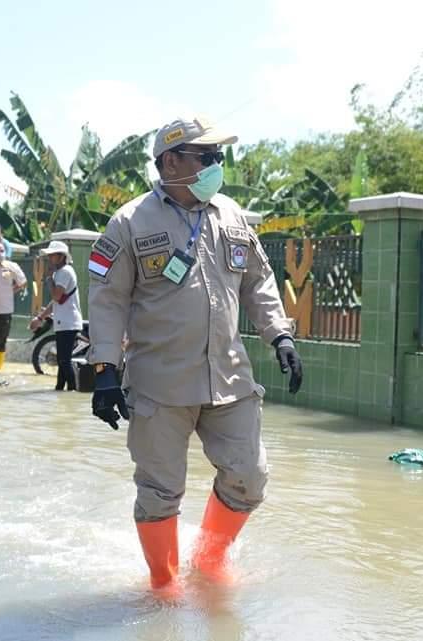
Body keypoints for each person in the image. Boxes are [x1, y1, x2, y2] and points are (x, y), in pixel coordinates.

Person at [87, 116, 303, 594]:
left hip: (228, 378)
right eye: (205, 157)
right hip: (159, 386)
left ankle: (208, 562)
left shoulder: (231, 215)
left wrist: (279, 335)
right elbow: (107, 299)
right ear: (170, 161)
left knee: (249, 476)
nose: (216, 166)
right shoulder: (130, 222)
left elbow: (258, 282)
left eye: (217, 158)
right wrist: (104, 371)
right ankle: (164, 584)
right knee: (160, 492)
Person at [28, 240, 82, 391]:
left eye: (52, 255)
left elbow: (57, 297)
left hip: (68, 323)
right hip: (64, 322)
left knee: (64, 361)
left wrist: (49, 280)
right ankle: (60, 390)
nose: (49, 258)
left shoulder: (64, 272)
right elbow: (56, 302)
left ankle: (72, 391)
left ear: (61, 257)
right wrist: (40, 318)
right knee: (62, 360)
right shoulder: (61, 272)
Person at [0, 240, 27, 372]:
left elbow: (23, 282)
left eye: (2, 251)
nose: (0, 253)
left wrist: (12, 290)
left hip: (5, 311)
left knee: (0, 342)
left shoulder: (12, 266)